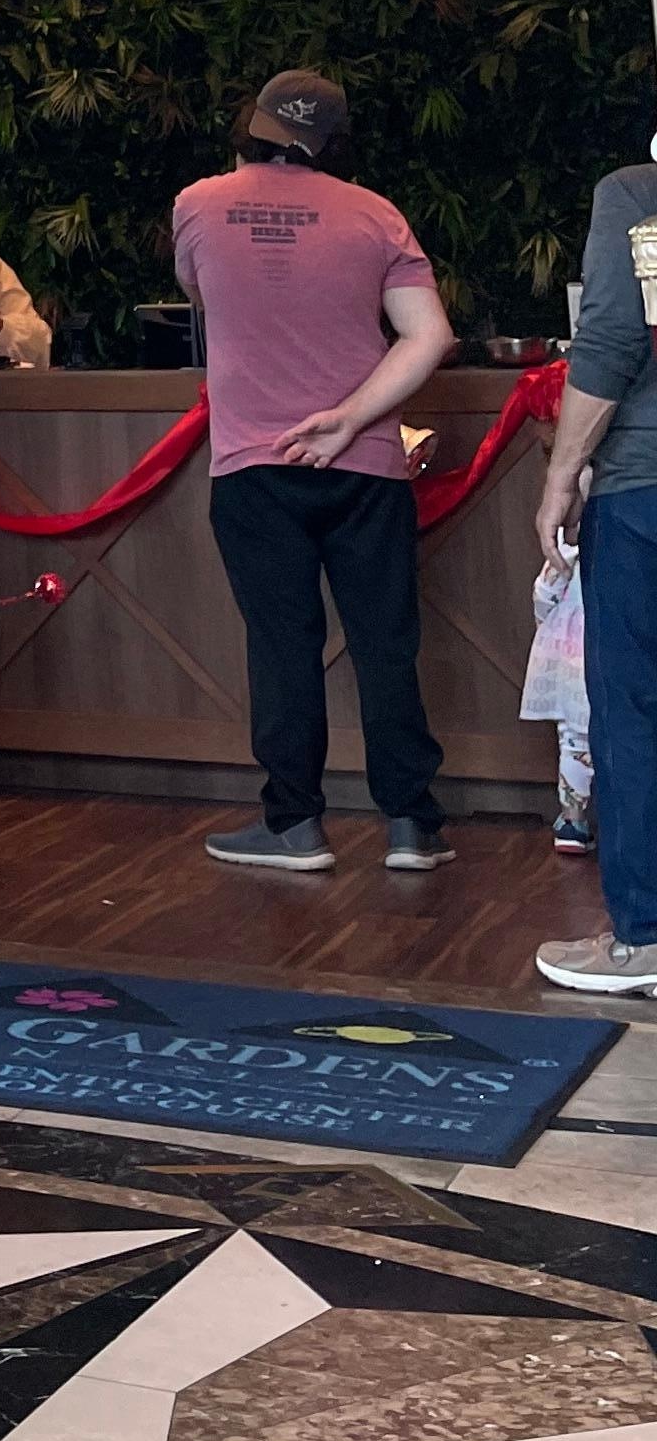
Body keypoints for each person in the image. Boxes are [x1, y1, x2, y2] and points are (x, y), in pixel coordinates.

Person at [172, 67, 456, 874]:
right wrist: (351, 417)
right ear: (333, 141)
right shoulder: (376, 213)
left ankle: (294, 824)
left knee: (282, 645)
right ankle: (412, 825)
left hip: (254, 465)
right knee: (385, 642)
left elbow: (201, 292)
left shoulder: (198, 204)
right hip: (366, 464)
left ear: (252, 124)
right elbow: (430, 336)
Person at [533, 142, 657, 992]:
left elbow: (611, 340)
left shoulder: (637, 194)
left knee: (635, 710)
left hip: (646, 487)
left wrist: (561, 476)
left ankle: (644, 935)